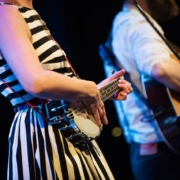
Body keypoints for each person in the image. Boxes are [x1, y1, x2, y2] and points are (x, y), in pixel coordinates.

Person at [0, 0, 133, 180]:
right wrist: (89, 89)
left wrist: (99, 91)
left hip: (59, 129)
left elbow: (52, 85)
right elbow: (36, 83)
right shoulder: (6, 13)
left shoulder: (24, 13)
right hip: (44, 133)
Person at [103, 0, 180, 180]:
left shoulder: (122, 23)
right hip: (165, 153)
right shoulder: (138, 24)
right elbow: (159, 67)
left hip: (148, 149)